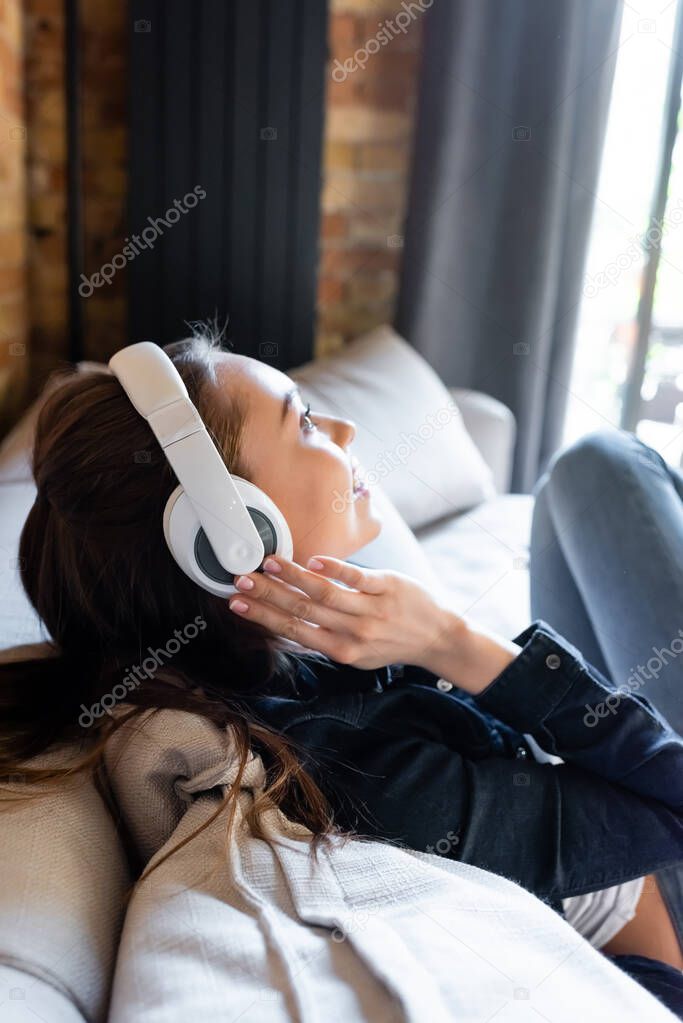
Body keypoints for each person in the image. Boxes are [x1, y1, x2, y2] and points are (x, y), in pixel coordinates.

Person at [1, 330, 682, 1014]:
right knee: (606, 463)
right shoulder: (375, 773)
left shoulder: (263, 664)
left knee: (585, 470)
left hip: (614, 814)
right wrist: (451, 640)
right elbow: (669, 797)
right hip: (664, 897)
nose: (343, 427)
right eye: (301, 420)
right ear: (232, 534)